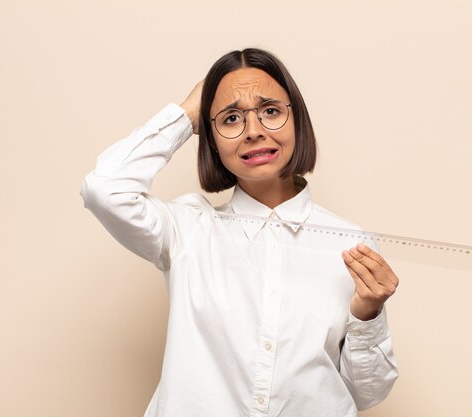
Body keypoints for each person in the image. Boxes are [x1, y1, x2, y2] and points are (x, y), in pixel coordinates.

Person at [80, 48, 399, 417]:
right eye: (231, 119)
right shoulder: (187, 229)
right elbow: (103, 189)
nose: (254, 131)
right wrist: (185, 115)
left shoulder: (350, 244)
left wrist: (367, 315)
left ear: (298, 120)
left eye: (271, 111)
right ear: (211, 139)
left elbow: (368, 393)